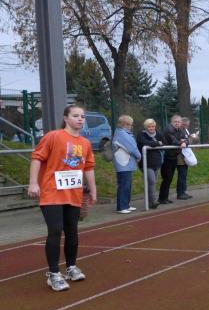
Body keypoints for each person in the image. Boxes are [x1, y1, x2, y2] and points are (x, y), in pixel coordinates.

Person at [27, 104, 97, 291]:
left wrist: (93, 190)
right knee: (55, 231)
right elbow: (36, 158)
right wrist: (33, 183)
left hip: (73, 193)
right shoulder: (53, 136)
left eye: (82, 116)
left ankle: (71, 267)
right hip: (52, 192)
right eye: (76, 115)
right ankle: (53, 274)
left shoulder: (85, 143)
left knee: (72, 231)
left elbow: (88, 167)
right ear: (66, 118)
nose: (80, 119)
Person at [112, 115, 142, 214]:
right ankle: (121, 207)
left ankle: (126, 205)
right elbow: (131, 147)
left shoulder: (123, 133)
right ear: (125, 124)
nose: (131, 126)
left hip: (126, 164)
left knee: (127, 185)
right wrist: (139, 155)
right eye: (130, 124)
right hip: (123, 164)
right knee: (124, 185)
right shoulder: (122, 134)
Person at [158, 114, 187, 204]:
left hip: (174, 156)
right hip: (167, 156)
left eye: (179, 122)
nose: (177, 123)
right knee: (167, 178)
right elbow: (173, 140)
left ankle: (164, 198)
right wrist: (181, 143)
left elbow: (185, 139)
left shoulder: (180, 130)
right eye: (175, 122)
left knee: (169, 178)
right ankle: (162, 198)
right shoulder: (168, 129)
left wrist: (185, 142)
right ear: (172, 122)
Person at [136, 119, 164, 209]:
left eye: (153, 126)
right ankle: (153, 201)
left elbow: (163, 142)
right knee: (152, 181)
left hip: (157, 162)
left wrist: (157, 144)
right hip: (146, 163)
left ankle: (150, 202)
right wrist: (157, 143)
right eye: (149, 126)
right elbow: (144, 142)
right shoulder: (141, 134)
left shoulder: (158, 133)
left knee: (152, 183)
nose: (151, 128)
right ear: (145, 127)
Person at [175, 116, 199, 200]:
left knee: (184, 174)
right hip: (180, 156)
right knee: (182, 174)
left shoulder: (185, 130)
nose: (186, 126)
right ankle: (180, 193)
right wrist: (191, 138)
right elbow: (184, 141)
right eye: (185, 124)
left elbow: (188, 141)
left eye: (187, 125)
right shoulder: (179, 131)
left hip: (185, 155)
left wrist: (193, 137)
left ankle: (183, 191)